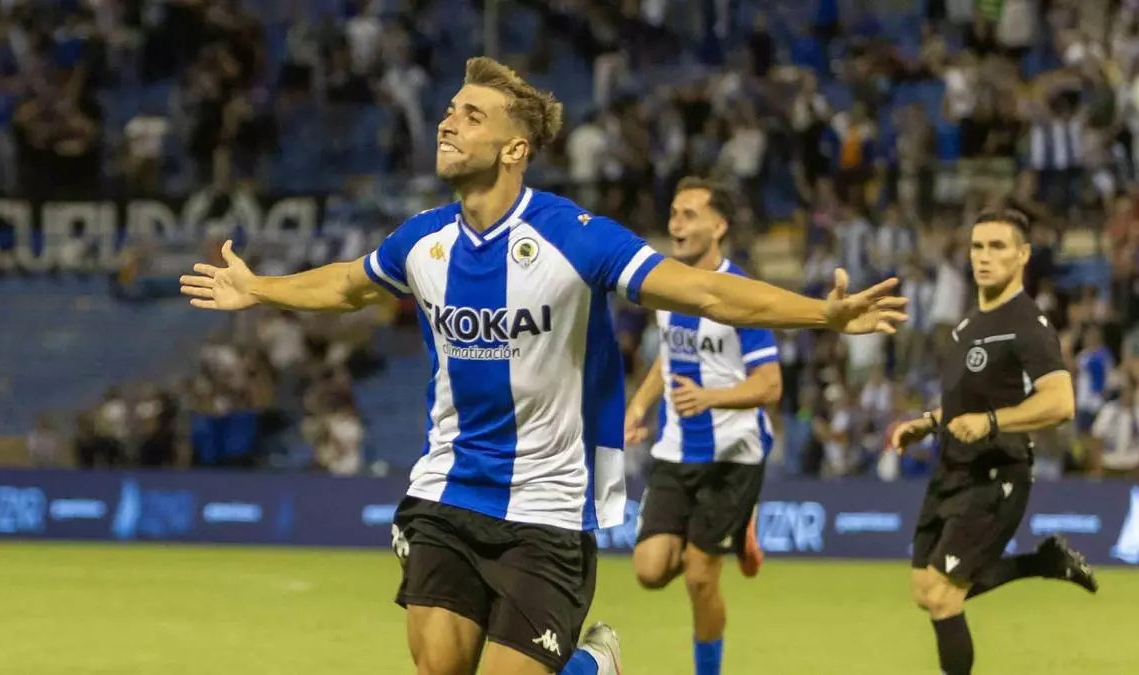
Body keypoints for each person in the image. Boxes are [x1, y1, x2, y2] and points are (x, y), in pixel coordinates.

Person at [181, 56, 908, 675]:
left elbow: (711, 291)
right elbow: (347, 283)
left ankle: (594, 662)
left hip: (547, 506)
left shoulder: (573, 237)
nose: (447, 122)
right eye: (450, 110)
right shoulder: (423, 240)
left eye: (470, 115)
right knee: (440, 667)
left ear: (514, 148)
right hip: (448, 492)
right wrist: (257, 287)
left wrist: (824, 314)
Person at [891, 209, 1099, 675]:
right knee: (925, 590)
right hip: (951, 468)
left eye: (998, 247)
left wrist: (991, 422)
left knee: (945, 599)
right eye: (977, 247)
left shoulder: (1028, 324)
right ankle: (1043, 563)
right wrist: (928, 421)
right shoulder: (970, 324)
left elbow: (1061, 402)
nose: (984, 257)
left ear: (1023, 255)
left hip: (995, 474)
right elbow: (968, 403)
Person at [624, 177, 778, 675]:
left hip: (733, 455)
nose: (676, 224)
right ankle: (737, 530)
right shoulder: (669, 288)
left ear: (719, 226)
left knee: (698, 577)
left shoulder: (743, 295)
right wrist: (639, 405)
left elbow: (770, 385)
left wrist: (710, 397)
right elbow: (668, 359)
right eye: (673, 213)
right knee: (649, 571)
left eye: (689, 214)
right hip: (675, 451)